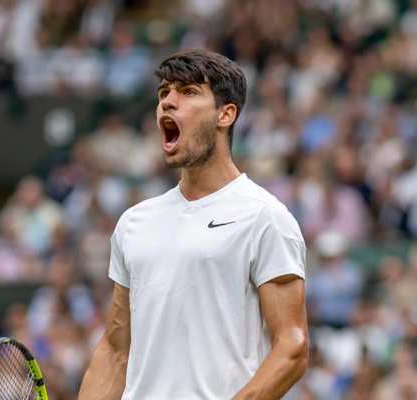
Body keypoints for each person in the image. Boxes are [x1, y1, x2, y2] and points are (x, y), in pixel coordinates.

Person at [79, 49, 308, 400]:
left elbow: (291, 347)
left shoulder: (265, 217)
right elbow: (114, 350)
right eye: (164, 93)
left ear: (225, 114)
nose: (168, 102)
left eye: (188, 92)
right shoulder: (133, 223)